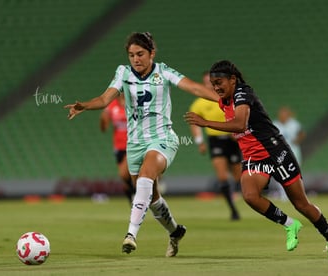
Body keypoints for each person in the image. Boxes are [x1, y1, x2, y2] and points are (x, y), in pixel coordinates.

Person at [65, 32, 219, 257]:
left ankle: (131, 235)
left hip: (162, 139)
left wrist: (224, 100)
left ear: (151, 54)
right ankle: (175, 231)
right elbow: (105, 99)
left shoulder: (163, 71)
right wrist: (85, 106)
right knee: (152, 197)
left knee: (146, 177)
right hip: (135, 144)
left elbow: (194, 88)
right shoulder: (123, 73)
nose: (135, 59)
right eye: (131, 55)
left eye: (140, 54)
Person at [185, 60, 328, 259]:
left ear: (232, 80)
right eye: (213, 84)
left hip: (275, 152)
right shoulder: (223, 96)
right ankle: (289, 224)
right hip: (253, 157)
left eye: (219, 82)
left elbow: (240, 124)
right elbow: (196, 89)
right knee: (250, 196)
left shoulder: (243, 93)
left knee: (301, 204)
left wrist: (205, 123)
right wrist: (167, 74)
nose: (216, 88)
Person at [189, 71, 241, 220]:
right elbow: (194, 124)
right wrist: (200, 142)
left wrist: (236, 130)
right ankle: (233, 210)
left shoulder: (228, 98)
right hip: (215, 140)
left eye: (212, 82)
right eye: (206, 82)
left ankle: (243, 195)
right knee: (222, 176)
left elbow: (240, 114)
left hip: (232, 139)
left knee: (238, 175)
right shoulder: (199, 103)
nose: (209, 85)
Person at [100, 93, 135, 204]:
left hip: (133, 144)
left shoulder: (134, 103)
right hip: (118, 146)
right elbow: (104, 128)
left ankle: (139, 197)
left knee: (124, 174)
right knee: (125, 181)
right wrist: (103, 120)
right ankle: (133, 202)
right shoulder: (112, 105)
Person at [271, 106, 306, 201]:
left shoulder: (294, 124)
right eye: (281, 114)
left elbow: (302, 133)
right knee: (280, 172)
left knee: (295, 173)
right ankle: (283, 194)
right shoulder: (275, 124)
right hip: (280, 152)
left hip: (294, 151)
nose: (283, 116)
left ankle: (298, 193)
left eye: (285, 114)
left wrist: (297, 140)